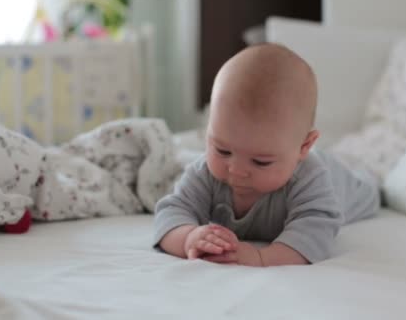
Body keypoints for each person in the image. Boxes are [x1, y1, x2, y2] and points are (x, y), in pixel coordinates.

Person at [153, 43, 379, 266]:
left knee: (370, 186)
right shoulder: (205, 172)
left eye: (261, 162)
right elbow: (172, 211)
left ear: (303, 147)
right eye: (222, 150)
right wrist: (188, 237)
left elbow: (316, 234)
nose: (236, 170)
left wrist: (261, 257)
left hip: (344, 183)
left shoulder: (310, 179)